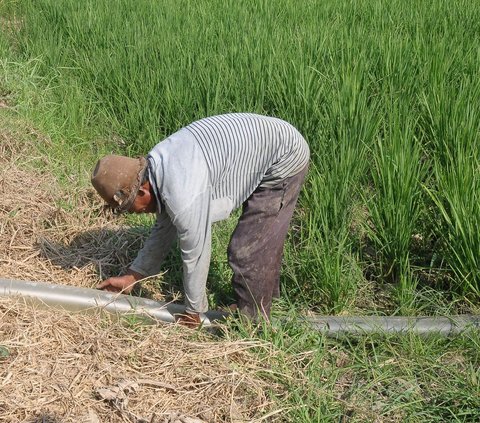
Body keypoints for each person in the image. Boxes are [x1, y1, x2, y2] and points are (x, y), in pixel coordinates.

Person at [91, 113, 309, 326]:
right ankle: (261, 300)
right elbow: (164, 229)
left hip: (284, 156)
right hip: (259, 149)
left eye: (131, 208)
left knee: (247, 249)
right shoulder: (157, 167)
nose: (135, 213)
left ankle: (255, 324)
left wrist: (194, 310)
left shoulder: (183, 192)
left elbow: (196, 252)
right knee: (258, 239)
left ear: (142, 192)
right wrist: (133, 276)